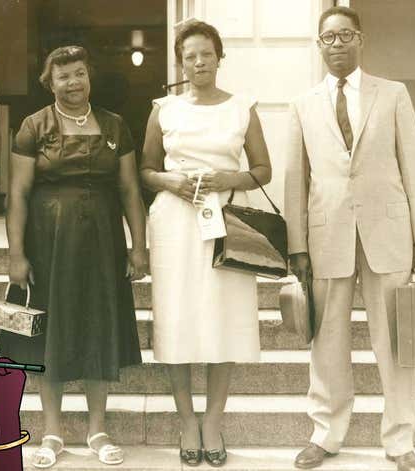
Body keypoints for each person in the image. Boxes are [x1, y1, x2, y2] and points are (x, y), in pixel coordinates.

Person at [284, 6, 415, 471]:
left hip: (387, 234)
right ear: (319, 45)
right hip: (328, 239)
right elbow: (295, 182)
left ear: (360, 39)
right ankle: (325, 434)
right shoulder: (302, 105)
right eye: (328, 38)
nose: (337, 45)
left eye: (345, 35)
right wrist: (297, 246)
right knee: (326, 343)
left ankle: (401, 440)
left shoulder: (393, 94)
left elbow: (413, 168)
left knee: (396, 343)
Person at [0, 45, 147, 468]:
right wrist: (16, 254)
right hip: (49, 244)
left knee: (99, 327)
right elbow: (19, 194)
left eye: (79, 73)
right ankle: (52, 432)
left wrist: (139, 246)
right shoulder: (33, 126)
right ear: (50, 82)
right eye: (63, 76)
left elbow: (130, 191)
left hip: (103, 243)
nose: (73, 83)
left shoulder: (115, 125)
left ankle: (98, 429)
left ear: (89, 76)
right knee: (52, 333)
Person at [141, 21, 271, 468]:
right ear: (181, 61)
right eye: (190, 56)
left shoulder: (242, 108)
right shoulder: (164, 109)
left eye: (207, 54)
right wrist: (171, 182)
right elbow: (145, 170)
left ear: (220, 57)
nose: (199, 62)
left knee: (226, 317)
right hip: (175, 219)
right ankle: (186, 421)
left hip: (227, 218)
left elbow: (263, 169)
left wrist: (227, 178)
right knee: (176, 317)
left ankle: (213, 419)